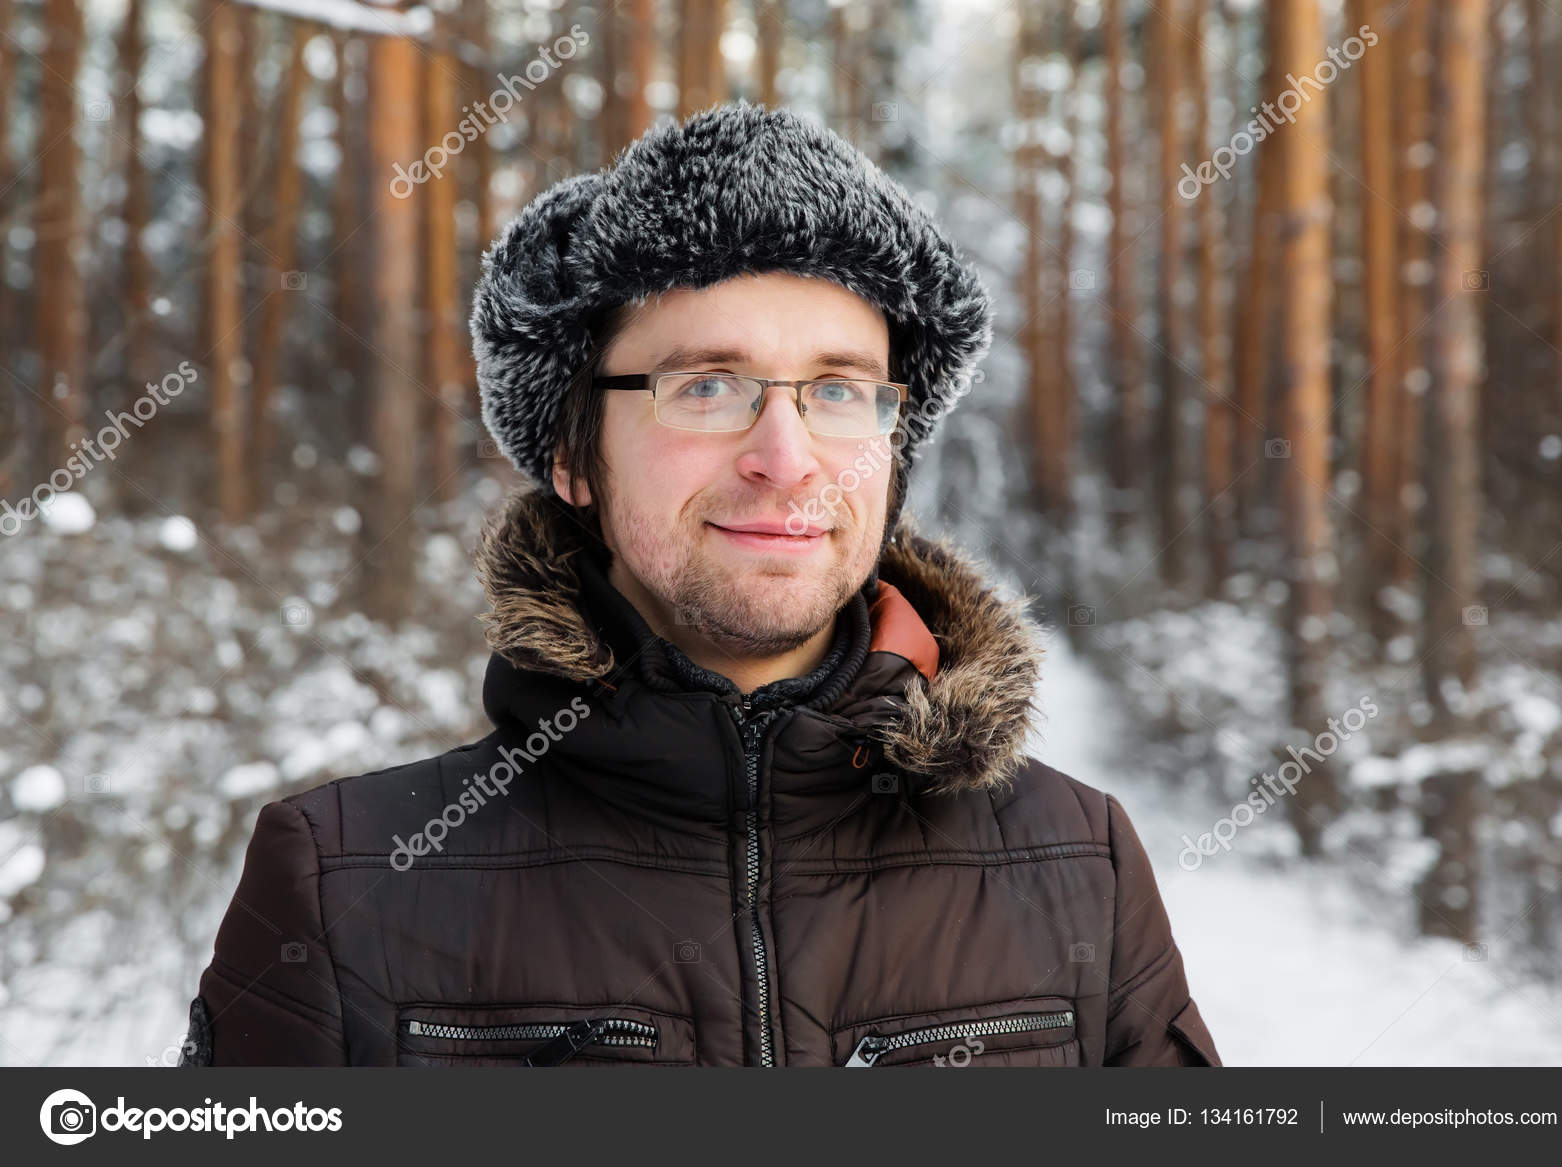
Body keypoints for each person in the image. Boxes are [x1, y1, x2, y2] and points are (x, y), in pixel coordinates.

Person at [181, 100, 1220, 1068]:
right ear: (574, 459)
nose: (787, 456)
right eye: (707, 386)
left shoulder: (1082, 864)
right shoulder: (342, 882)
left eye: (837, 391)